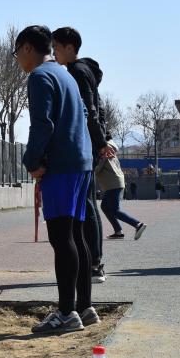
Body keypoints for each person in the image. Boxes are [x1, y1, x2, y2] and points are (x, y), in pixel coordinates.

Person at [15, 25, 94, 333]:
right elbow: (83, 115)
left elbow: (42, 124)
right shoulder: (66, 74)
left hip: (60, 165)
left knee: (61, 238)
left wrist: (32, 161)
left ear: (26, 48)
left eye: (17, 53)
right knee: (76, 235)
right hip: (81, 161)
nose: (18, 60)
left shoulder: (39, 77)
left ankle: (65, 312)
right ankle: (84, 307)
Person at [51, 26, 110, 283]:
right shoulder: (85, 71)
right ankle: (94, 261)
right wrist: (103, 138)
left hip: (85, 144)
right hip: (92, 143)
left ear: (69, 47)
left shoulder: (76, 72)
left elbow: (89, 110)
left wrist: (99, 142)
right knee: (89, 203)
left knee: (86, 204)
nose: (53, 52)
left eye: (56, 47)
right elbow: (98, 107)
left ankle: (94, 264)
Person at [95, 136, 147, 241]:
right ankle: (118, 231)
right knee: (105, 206)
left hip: (113, 184)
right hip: (115, 182)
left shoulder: (104, 149)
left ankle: (138, 224)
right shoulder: (110, 148)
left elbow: (96, 170)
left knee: (115, 210)